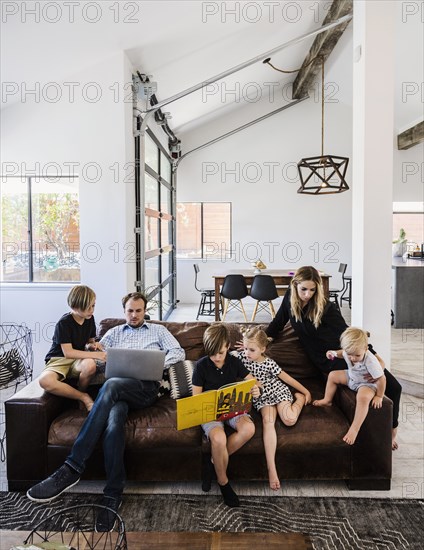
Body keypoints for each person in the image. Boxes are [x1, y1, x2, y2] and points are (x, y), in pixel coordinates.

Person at [27, 292, 185, 531]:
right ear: (124, 312)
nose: (134, 315)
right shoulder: (111, 334)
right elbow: (97, 360)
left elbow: (178, 352)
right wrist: (99, 353)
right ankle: (113, 493)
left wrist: (155, 363)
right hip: (116, 393)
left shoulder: (158, 331)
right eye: (130, 311)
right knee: (114, 419)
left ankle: (73, 466)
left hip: (144, 390)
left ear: (145, 311)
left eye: (138, 311)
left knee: (111, 386)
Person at [266, 266, 402, 450]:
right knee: (372, 382)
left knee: (394, 387)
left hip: (343, 354)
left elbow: (348, 334)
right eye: (303, 289)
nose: (307, 294)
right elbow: (276, 324)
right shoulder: (290, 300)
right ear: (295, 285)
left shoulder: (326, 307)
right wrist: (260, 342)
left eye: (312, 290)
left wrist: (374, 355)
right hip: (326, 360)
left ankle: (393, 430)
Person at [233, 327, 312, 491]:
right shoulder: (241, 358)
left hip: (278, 391)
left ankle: (299, 400)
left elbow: (287, 378)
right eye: (246, 348)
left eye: (252, 350)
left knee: (289, 419)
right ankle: (272, 469)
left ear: (263, 349)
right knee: (268, 422)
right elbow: (227, 360)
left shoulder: (269, 363)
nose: (247, 352)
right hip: (262, 397)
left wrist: (305, 391)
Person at [192, 323, 260, 507]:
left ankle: (213, 462)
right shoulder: (201, 366)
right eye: (212, 353)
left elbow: (253, 381)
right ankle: (224, 483)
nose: (216, 357)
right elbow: (195, 398)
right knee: (219, 439)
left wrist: (255, 389)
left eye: (220, 353)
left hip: (232, 408)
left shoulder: (234, 361)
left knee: (248, 429)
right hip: (210, 412)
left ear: (228, 346)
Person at [313, 327, 386, 445]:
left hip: (366, 384)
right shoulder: (348, 352)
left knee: (363, 398)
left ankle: (354, 429)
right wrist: (334, 353)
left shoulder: (370, 361)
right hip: (352, 377)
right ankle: (327, 400)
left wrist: (379, 396)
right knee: (332, 375)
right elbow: (342, 354)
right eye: (350, 354)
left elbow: (382, 379)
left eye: (357, 355)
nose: (353, 358)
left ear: (366, 349)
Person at [39, 285, 106, 412]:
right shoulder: (64, 323)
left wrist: (93, 345)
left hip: (77, 360)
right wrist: (96, 355)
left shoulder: (89, 319)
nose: (92, 310)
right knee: (45, 381)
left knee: (90, 365)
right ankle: (83, 397)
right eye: (88, 307)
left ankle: (81, 392)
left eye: (93, 306)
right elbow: (68, 352)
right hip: (59, 359)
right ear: (75, 306)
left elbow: (89, 342)